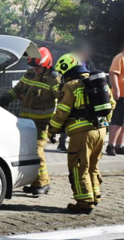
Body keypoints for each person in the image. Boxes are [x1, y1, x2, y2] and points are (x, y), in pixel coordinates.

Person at [44, 53, 115, 213]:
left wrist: (51, 130)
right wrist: (104, 123)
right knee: (93, 165)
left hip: (81, 134)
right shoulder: (98, 82)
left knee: (78, 167)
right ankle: (94, 195)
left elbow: (62, 111)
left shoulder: (71, 85)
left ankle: (84, 202)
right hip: (101, 131)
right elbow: (112, 103)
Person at [0, 47, 59, 195]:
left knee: (37, 151)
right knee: (27, 152)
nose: (35, 70)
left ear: (46, 65)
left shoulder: (54, 79)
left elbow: (63, 101)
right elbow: (18, 89)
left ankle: (43, 184)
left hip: (42, 124)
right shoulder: (29, 74)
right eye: (33, 67)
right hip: (26, 123)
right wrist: (6, 99)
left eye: (38, 68)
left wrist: (58, 125)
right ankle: (34, 182)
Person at [57, 42, 97, 153]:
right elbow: (63, 76)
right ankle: (61, 144)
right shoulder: (71, 61)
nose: (84, 54)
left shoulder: (88, 62)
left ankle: (83, 145)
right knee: (67, 116)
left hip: (84, 94)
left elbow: (93, 74)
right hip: (71, 91)